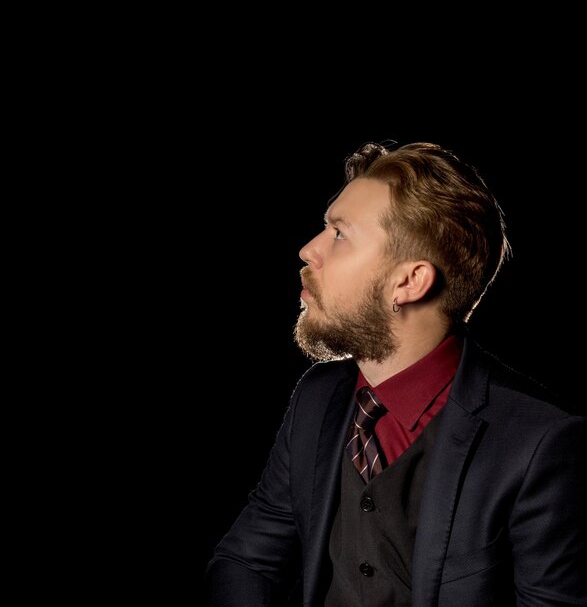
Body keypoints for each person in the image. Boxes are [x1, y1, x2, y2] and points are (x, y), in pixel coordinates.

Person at [205, 141, 586, 606]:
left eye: (339, 234)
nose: (309, 250)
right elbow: (248, 560)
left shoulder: (540, 441)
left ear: (409, 282)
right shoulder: (316, 398)